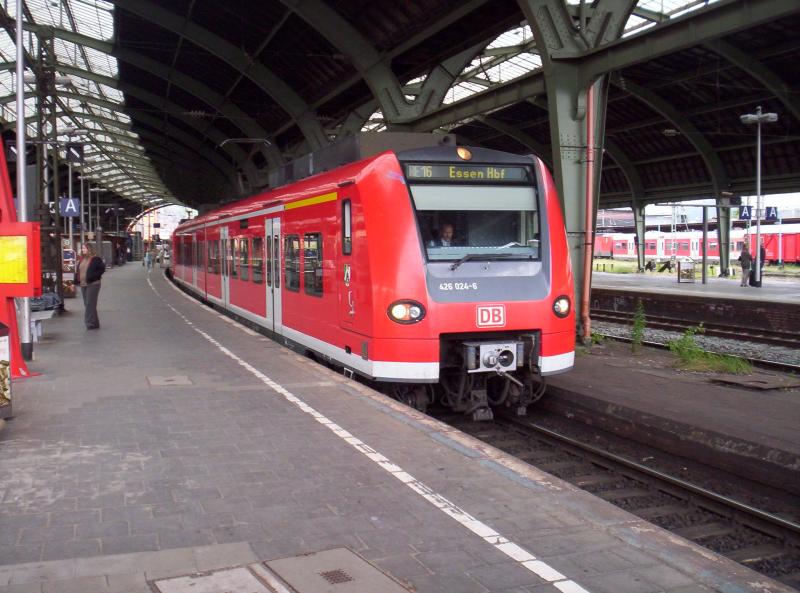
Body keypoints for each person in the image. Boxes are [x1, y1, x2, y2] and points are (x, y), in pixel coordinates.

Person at [75, 243, 105, 330]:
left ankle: (89, 323)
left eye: (84, 248)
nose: (82, 250)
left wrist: (94, 277)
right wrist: (76, 280)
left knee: (89, 303)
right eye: (82, 248)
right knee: (88, 304)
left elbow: (101, 269)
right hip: (83, 284)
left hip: (93, 284)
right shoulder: (82, 259)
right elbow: (79, 271)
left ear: (89, 249)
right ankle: (95, 323)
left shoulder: (95, 259)